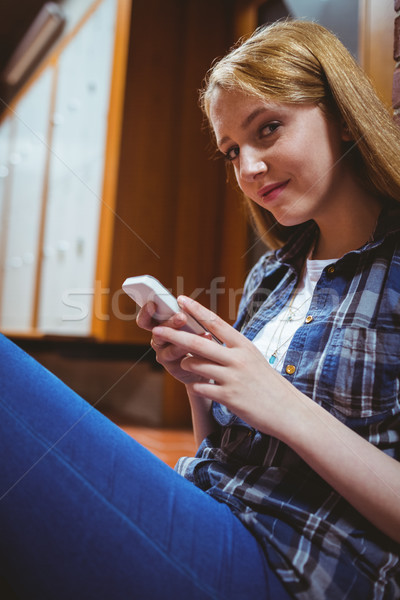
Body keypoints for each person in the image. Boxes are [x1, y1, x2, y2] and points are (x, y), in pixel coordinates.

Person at [0, 19, 399, 599]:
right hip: (212, 511)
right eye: (232, 151)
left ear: (339, 115)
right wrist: (200, 382)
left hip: (290, 569)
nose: (249, 168)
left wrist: (276, 399)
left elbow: (278, 410)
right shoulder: (274, 271)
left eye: (268, 129)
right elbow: (221, 453)